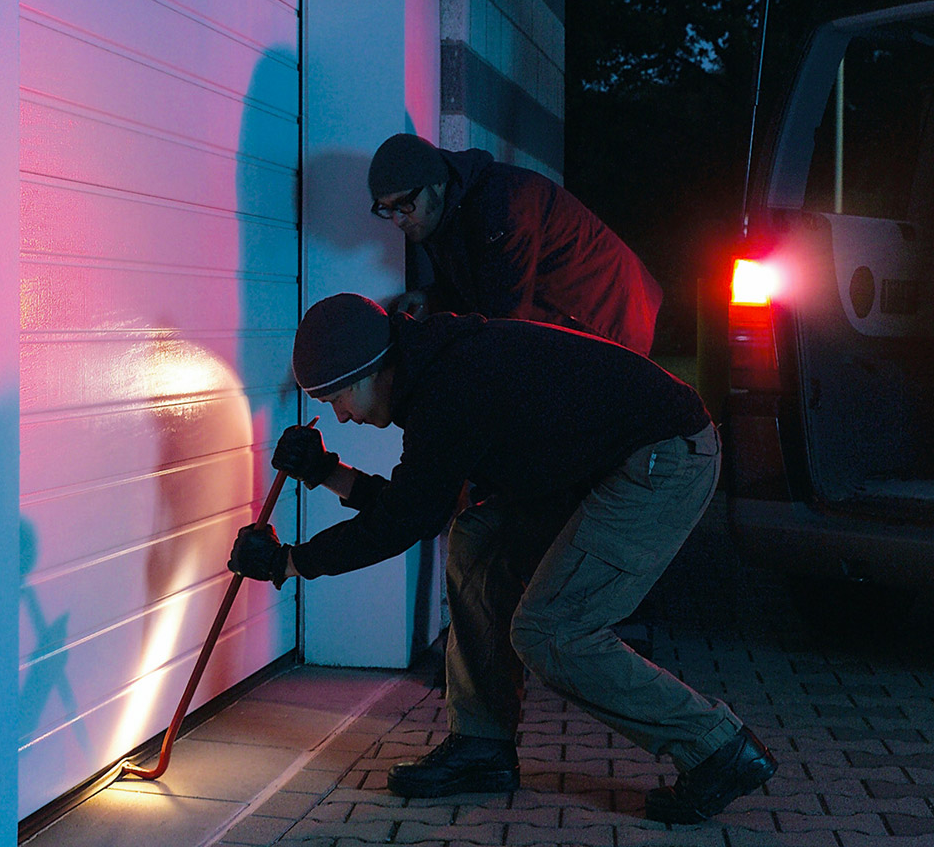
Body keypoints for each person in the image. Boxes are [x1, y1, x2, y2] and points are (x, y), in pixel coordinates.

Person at [229, 293, 778, 825]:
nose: (341, 417)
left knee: (552, 631)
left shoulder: (448, 389)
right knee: (478, 535)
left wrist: (289, 564)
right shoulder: (432, 373)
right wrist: (326, 472)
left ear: (371, 370)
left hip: (662, 458)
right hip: (601, 462)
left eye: (336, 400)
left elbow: (406, 520)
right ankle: (481, 745)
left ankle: (716, 748)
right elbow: (418, 505)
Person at [367, 133, 663, 355]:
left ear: (437, 184)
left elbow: (505, 319)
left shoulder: (502, 204)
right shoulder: (443, 214)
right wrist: (430, 299)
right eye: (386, 209)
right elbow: (473, 290)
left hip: (609, 318)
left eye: (404, 204)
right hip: (576, 316)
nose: (397, 220)